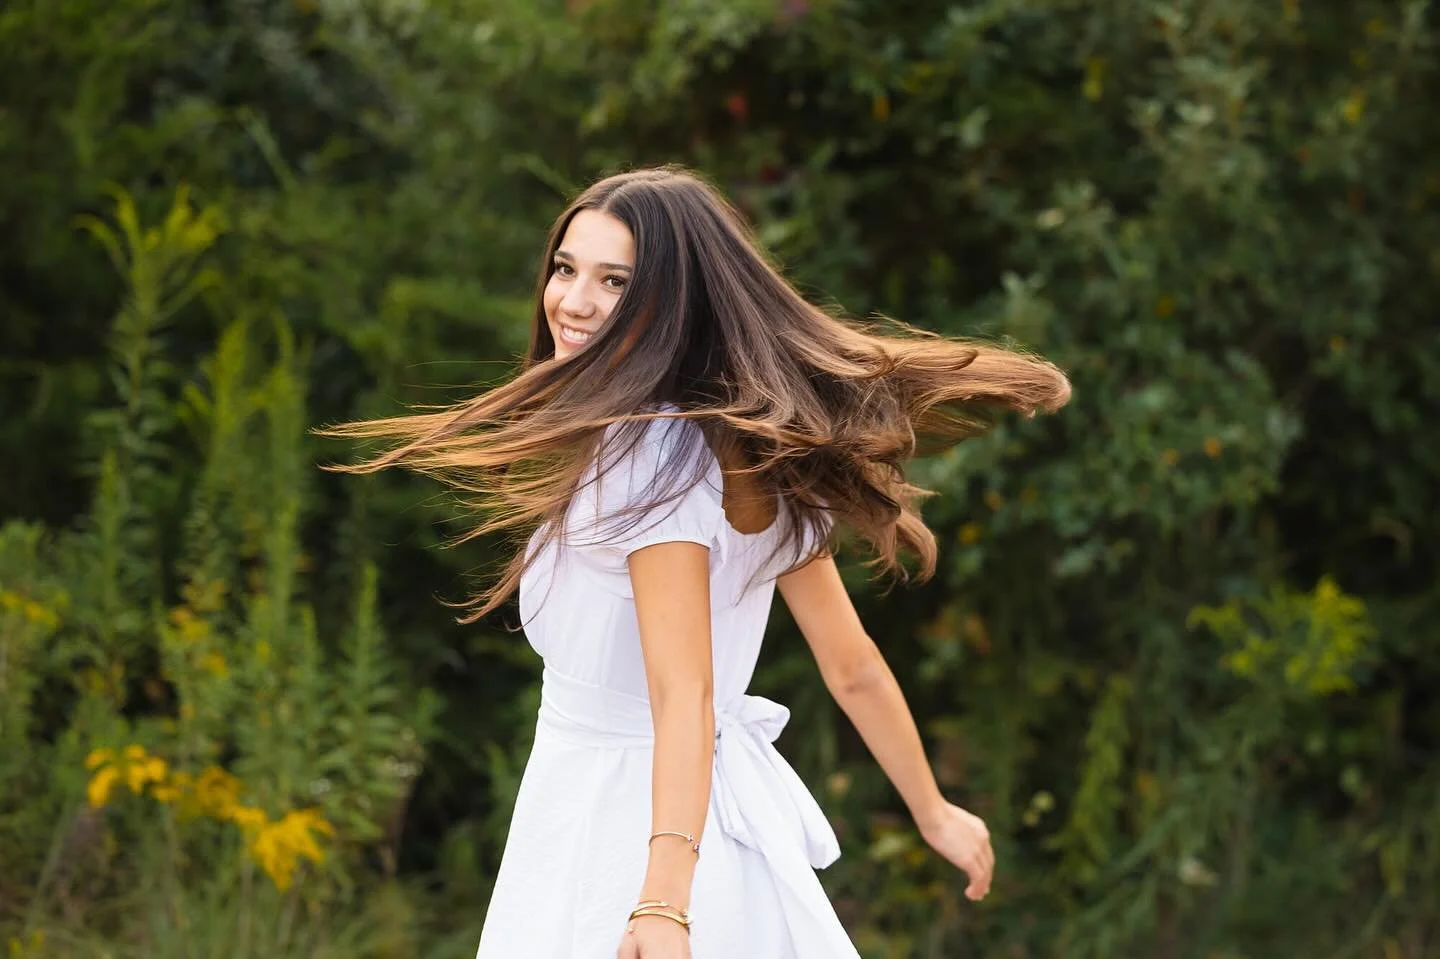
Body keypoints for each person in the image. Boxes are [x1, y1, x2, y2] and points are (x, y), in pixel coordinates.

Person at [323, 166, 1070, 958]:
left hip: (624, 828)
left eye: (613, 282)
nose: (572, 301)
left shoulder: (650, 455)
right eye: (566, 268)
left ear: (671, 300)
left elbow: (686, 690)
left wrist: (664, 905)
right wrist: (933, 808)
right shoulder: (748, 443)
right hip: (682, 820)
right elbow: (849, 664)